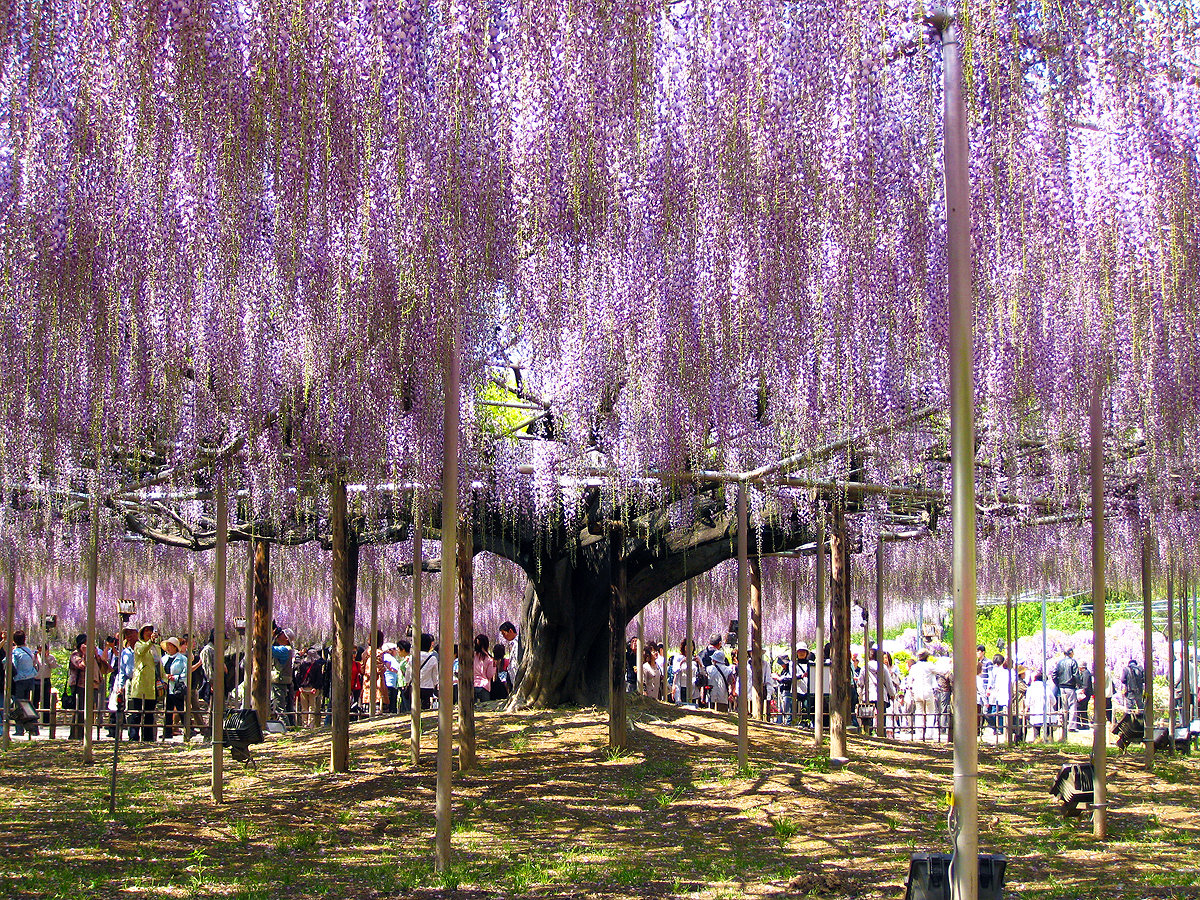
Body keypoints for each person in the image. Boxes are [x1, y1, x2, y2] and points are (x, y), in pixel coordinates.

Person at [127, 623, 161, 742]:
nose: (149, 632)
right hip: (140, 684)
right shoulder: (138, 644)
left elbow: (159, 665)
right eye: (146, 630)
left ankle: (148, 739)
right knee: (136, 713)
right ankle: (133, 738)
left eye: (151, 630)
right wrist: (150, 642)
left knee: (149, 714)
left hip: (152, 685)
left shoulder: (157, 648)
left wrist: (164, 679)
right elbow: (141, 651)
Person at [856, 647, 895, 737]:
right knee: (881, 717)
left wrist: (860, 694)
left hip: (868, 694)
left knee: (867, 717)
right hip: (881, 695)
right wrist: (892, 694)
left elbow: (860, 682)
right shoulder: (883, 667)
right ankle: (881, 733)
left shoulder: (865, 667)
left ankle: (867, 733)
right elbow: (888, 682)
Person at [9, 630, 39, 737]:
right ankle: (34, 728)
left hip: (20, 681)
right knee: (28, 704)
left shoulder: (15, 652)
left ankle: (19, 729)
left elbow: (13, 666)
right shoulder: (29, 651)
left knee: (19, 705)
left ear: (14, 640)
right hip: (30, 679)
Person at [907, 649, 937, 741]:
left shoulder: (914, 667)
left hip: (917, 691)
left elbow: (909, 680)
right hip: (928, 690)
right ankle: (929, 733)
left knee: (919, 712)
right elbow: (941, 670)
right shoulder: (930, 665)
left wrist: (911, 689)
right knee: (930, 712)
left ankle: (919, 734)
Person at [161, 637, 187, 739]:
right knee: (168, 710)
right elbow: (160, 671)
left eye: (170, 646)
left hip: (177, 687)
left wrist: (175, 677)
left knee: (180, 709)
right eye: (167, 646)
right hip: (166, 687)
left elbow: (186, 673)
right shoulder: (164, 659)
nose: (168, 648)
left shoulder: (182, 659)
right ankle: (167, 732)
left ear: (175, 647)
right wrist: (165, 677)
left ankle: (188, 730)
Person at [295, 646, 326, 727]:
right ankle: (310, 725)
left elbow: (297, 676)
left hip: (303, 688)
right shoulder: (317, 665)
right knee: (312, 707)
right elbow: (319, 678)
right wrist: (316, 688)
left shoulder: (301, 664)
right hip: (312, 688)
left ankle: (305, 724)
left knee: (304, 708)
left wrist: (299, 686)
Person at [271, 628, 296, 725]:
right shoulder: (287, 650)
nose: (278, 634)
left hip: (279, 681)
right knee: (282, 706)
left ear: (286, 638)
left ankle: (285, 729)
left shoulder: (283, 650)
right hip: (283, 681)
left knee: (279, 707)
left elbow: (268, 648)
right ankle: (288, 727)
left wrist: (271, 636)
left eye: (281, 633)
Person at [1053, 647, 1080, 732]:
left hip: (1061, 687)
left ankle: (1061, 722)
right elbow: (1076, 675)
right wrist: (1079, 684)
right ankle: (1071, 726)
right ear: (1071, 653)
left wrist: (1058, 683)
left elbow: (1054, 675)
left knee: (1063, 705)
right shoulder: (1073, 662)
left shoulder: (1059, 663)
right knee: (1072, 705)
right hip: (1070, 686)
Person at [1026, 672, 1053, 742]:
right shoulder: (1047, 688)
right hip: (1047, 712)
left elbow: (1027, 702)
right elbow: (1053, 700)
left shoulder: (1030, 688)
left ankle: (1036, 740)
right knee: (1048, 729)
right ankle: (1048, 740)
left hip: (1035, 712)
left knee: (1036, 729)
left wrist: (1028, 706)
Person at [706, 648, 734, 712]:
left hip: (711, 697)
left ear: (714, 660)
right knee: (723, 714)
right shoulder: (728, 670)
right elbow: (730, 684)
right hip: (723, 698)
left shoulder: (709, 669)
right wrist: (730, 694)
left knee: (712, 714)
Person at [473, 634, 497, 703]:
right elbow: (489, 675)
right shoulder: (489, 659)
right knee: (485, 707)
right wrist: (494, 667)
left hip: (472, 685)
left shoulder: (471, 657)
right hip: (483, 686)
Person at [417, 633, 438, 710]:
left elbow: (409, 672)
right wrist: (435, 683)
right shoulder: (432, 658)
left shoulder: (413, 657)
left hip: (415, 685)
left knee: (414, 705)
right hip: (427, 686)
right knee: (425, 705)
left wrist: (407, 682)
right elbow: (435, 674)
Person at [499, 621, 520, 690]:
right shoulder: (512, 644)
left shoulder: (519, 643)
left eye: (504, 634)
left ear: (510, 631)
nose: (504, 637)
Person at [1078, 661, 1094, 728]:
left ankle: (1081, 724)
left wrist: (1082, 692)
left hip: (1085, 694)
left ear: (1081, 667)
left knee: (1079, 708)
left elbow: (1085, 685)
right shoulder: (1086, 673)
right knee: (1083, 709)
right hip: (1086, 693)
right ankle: (1084, 724)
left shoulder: (1086, 674)